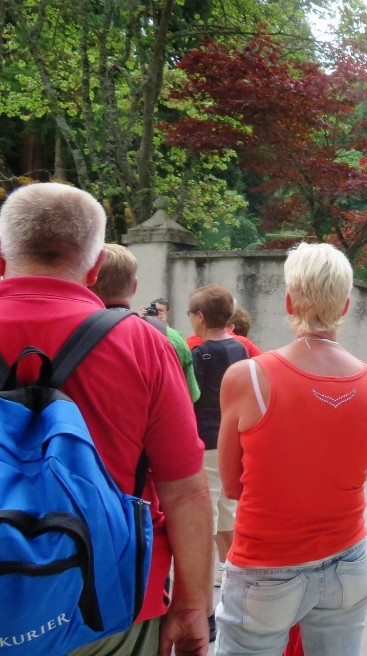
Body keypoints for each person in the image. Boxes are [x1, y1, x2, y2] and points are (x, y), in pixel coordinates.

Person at [0, 183, 212, 655]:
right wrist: (192, 604)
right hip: (110, 603)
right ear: (96, 268)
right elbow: (186, 490)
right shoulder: (143, 344)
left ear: (1, 257)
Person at [216, 242, 367, 655]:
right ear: (345, 306)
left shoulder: (248, 377)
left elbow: (233, 486)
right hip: (348, 559)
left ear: (289, 300)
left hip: (266, 567)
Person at [188, 283, 248, 639]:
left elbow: (191, 395)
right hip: (236, 435)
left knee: (207, 508)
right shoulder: (239, 348)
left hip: (207, 437)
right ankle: (232, 567)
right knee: (230, 505)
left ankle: (211, 572)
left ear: (198, 318)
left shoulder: (202, 353)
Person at [91, 244, 201, 402]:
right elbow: (189, 397)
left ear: (88, 280)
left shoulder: (69, 329)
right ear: (134, 286)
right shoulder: (171, 338)